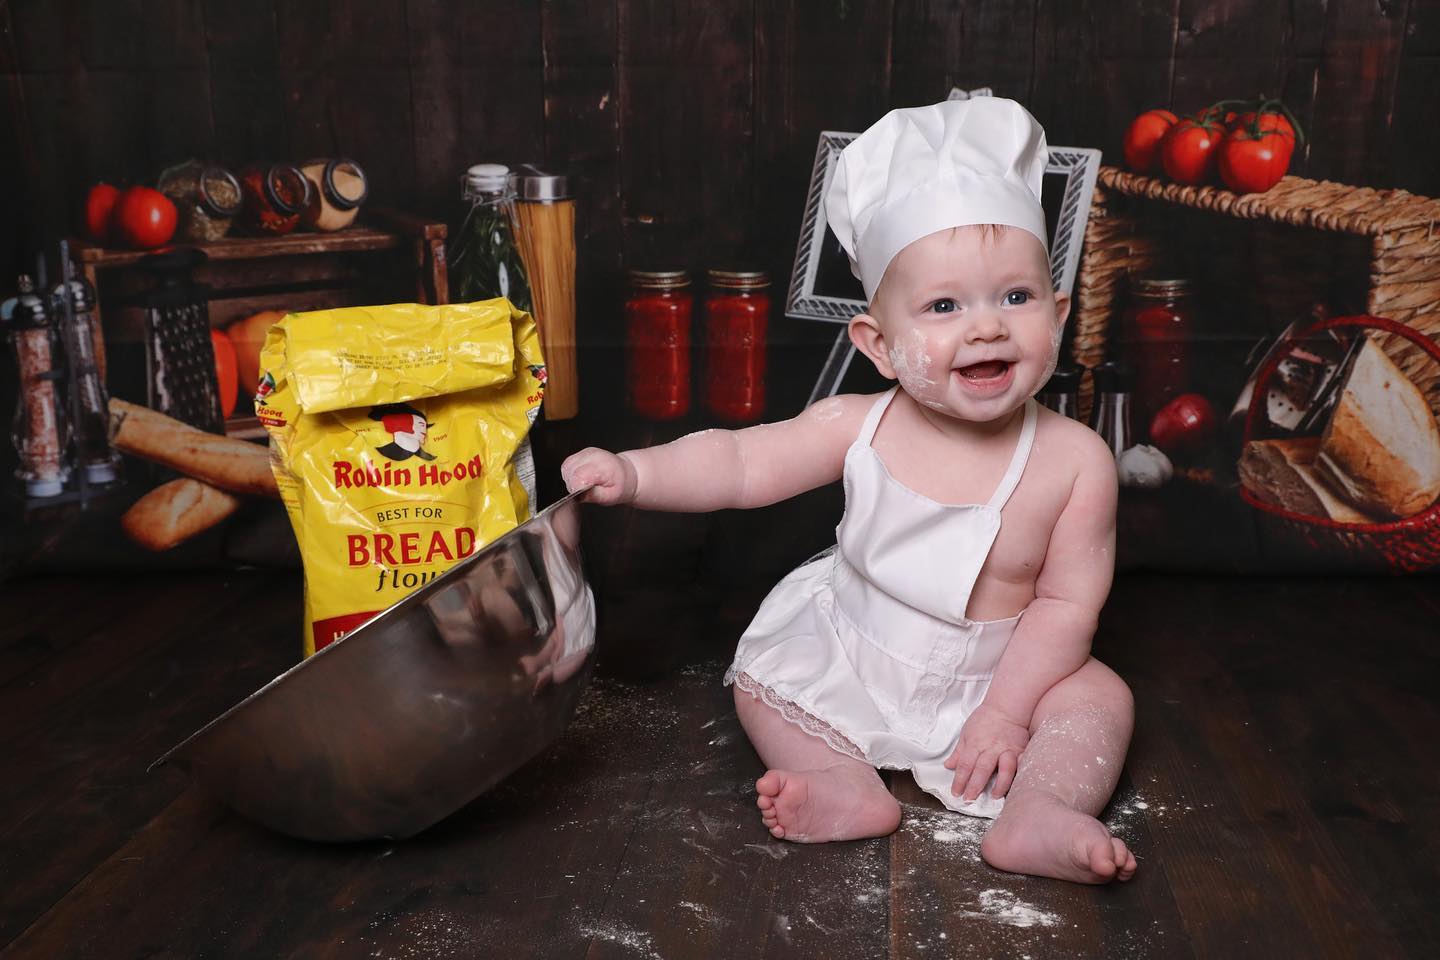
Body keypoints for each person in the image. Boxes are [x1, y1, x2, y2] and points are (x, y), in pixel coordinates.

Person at [562, 97, 1135, 884]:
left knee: (1098, 700)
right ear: (880, 346)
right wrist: (635, 475)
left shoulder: (1076, 461)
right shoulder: (858, 424)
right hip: (859, 645)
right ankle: (843, 784)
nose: (987, 327)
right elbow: (739, 464)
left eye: (1016, 297)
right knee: (768, 684)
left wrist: (1004, 714)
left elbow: (1067, 607)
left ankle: (1042, 810)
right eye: (943, 306)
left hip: (1008, 672)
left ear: (1058, 315)